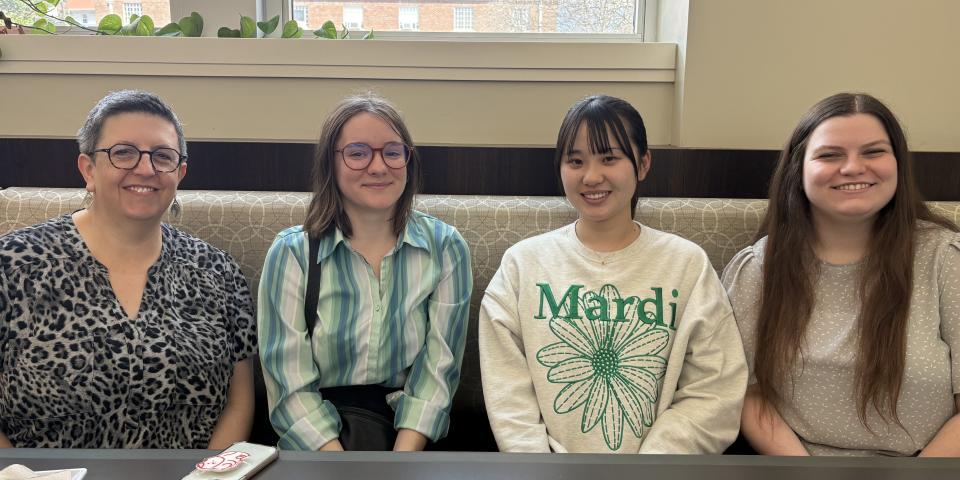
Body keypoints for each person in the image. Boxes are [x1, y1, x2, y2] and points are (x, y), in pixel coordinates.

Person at [478, 94, 747, 453]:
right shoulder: (522, 264)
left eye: (609, 158)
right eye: (575, 160)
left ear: (643, 163)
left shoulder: (686, 264)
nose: (591, 176)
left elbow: (715, 390)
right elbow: (507, 391)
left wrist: (647, 471)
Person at [0, 90, 257, 448]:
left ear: (179, 173)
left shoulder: (217, 271)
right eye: (123, 153)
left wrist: (208, 476)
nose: (145, 168)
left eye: (162, 156)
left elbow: (238, 402)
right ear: (88, 169)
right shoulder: (12, 264)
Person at [722, 92, 960, 456]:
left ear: (898, 164)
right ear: (798, 170)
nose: (852, 168)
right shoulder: (757, 268)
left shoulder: (945, 259)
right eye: (830, 155)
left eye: (874, 152)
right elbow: (748, 394)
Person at [258, 94, 472, 452]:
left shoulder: (445, 247)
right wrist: (341, 469)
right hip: (318, 443)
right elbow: (287, 383)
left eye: (392, 151)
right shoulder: (292, 253)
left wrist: (397, 464)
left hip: (407, 437)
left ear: (407, 160)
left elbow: (439, 371)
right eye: (358, 153)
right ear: (332, 163)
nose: (378, 167)